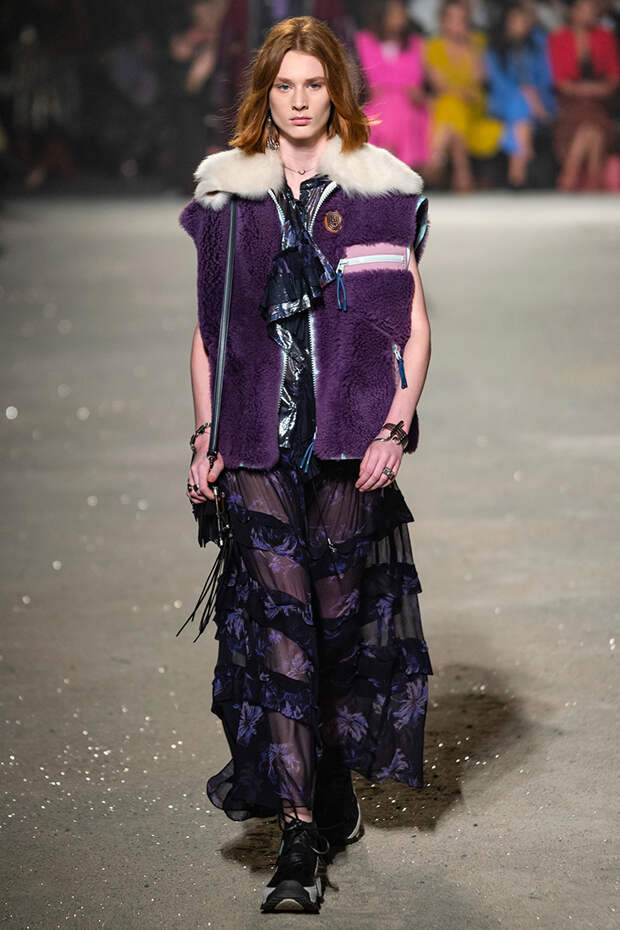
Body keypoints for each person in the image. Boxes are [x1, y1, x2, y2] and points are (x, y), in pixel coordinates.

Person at [179, 15, 433, 914]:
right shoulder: (229, 198)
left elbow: (412, 323)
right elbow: (208, 336)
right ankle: (296, 842)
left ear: (336, 92)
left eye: (314, 85)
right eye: (284, 85)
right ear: (266, 93)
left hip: (346, 441)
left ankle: (328, 783)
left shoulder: (378, 190)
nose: (298, 100)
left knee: (333, 629)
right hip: (254, 442)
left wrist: (395, 425)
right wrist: (204, 438)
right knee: (285, 636)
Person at [424, 0, 504, 191]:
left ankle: (436, 158)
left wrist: (470, 47)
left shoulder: (477, 41)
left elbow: (480, 77)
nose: (458, 23)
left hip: (473, 104)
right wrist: (460, 91)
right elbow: (438, 85)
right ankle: (463, 173)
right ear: (442, 21)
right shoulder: (433, 46)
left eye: (462, 19)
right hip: (449, 103)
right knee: (452, 106)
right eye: (453, 19)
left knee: (451, 107)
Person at [548, 0, 620, 190]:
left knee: (591, 124)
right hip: (569, 106)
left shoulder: (605, 37)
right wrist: (589, 90)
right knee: (591, 126)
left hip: (600, 104)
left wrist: (589, 90)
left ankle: (570, 173)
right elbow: (560, 82)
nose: (589, 13)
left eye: (592, 9)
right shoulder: (559, 38)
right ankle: (594, 175)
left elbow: (613, 78)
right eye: (584, 9)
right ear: (572, 11)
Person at [484, 2, 556, 187]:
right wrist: (526, 94)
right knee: (519, 103)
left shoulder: (538, 43)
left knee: (520, 111)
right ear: (506, 23)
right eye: (515, 21)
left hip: (538, 101)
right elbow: (499, 85)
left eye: (524, 21)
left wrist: (532, 94)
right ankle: (523, 160)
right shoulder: (494, 49)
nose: (521, 25)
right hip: (504, 104)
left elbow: (546, 77)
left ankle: (516, 174)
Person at [355, 0, 431, 169]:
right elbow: (374, 81)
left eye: (402, 13)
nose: (399, 18)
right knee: (389, 105)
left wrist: (394, 85)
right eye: (394, 14)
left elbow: (414, 81)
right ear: (382, 15)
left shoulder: (416, 43)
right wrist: (397, 85)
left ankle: (388, 154)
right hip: (378, 104)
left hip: (410, 105)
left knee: (399, 105)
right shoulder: (365, 40)